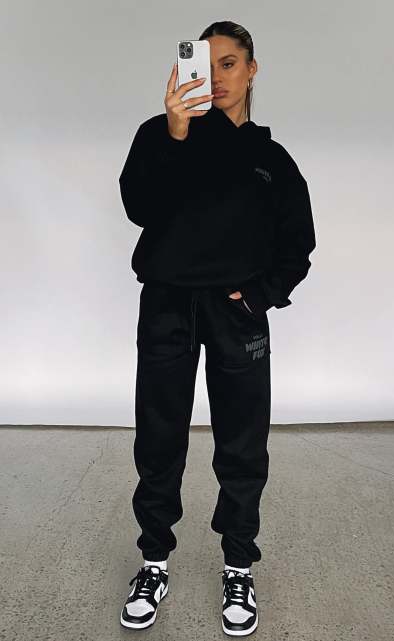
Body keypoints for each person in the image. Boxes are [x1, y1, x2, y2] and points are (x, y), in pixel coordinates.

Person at [118, 20, 316, 636]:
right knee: (159, 438)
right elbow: (139, 208)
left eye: (229, 63)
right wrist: (175, 133)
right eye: (206, 65)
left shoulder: (270, 159)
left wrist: (260, 297)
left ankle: (238, 566)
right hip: (167, 305)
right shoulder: (159, 134)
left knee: (242, 443)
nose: (218, 76)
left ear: (252, 70)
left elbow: (298, 242)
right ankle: (153, 560)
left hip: (237, 315)